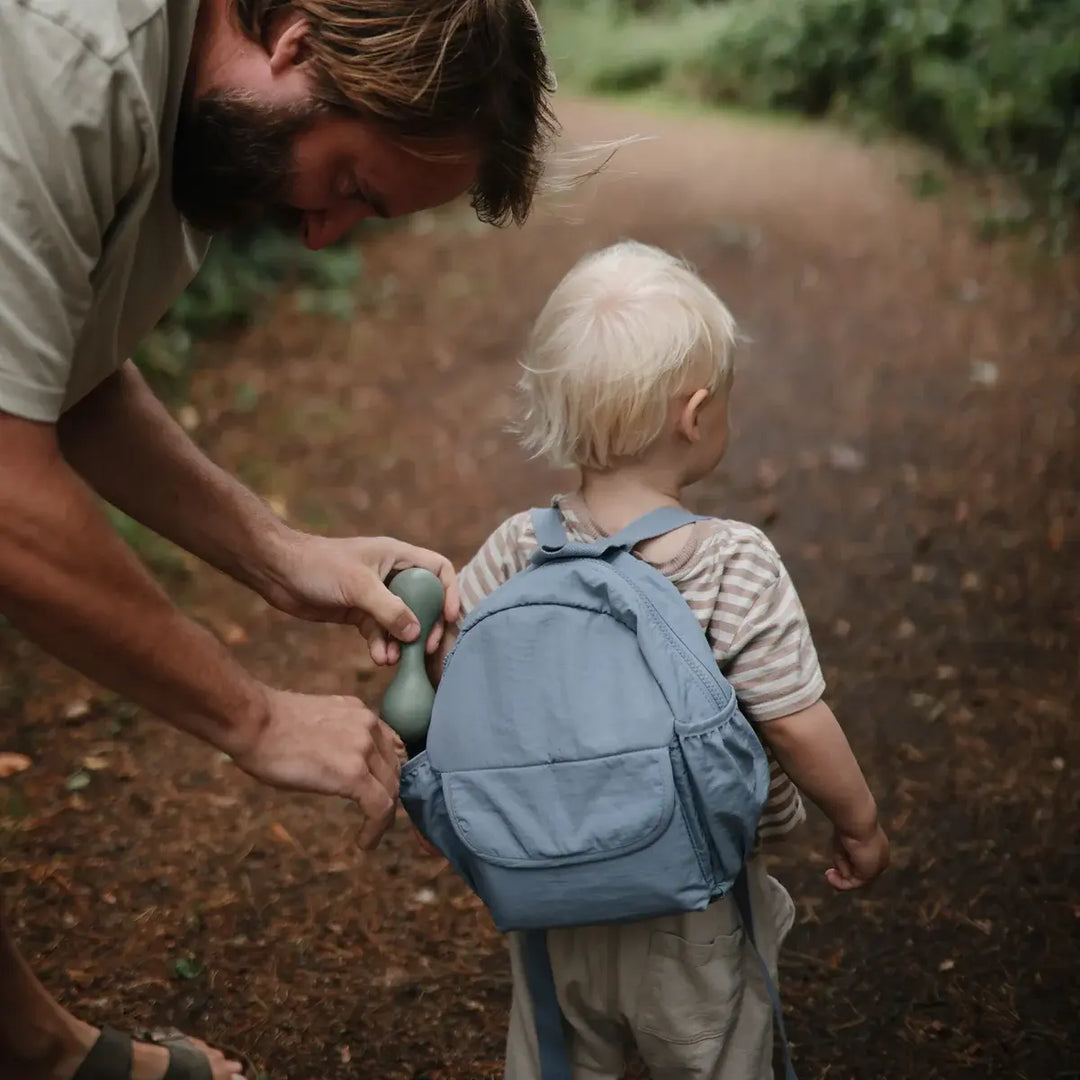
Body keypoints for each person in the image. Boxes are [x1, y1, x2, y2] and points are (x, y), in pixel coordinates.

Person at [0, 0, 556, 1077]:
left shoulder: (210, 134)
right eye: (351, 183)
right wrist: (252, 718)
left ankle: (29, 1049)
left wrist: (278, 552)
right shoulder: (75, 53)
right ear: (300, 40)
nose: (320, 233)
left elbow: (55, 378)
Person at [444, 241, 890, 1078]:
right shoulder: (731, 562)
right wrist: (858, 821)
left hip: (547, 896)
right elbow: (793, 723)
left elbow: (455, 676)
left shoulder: (515, 550)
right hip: (694, 899)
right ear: (694, 416)